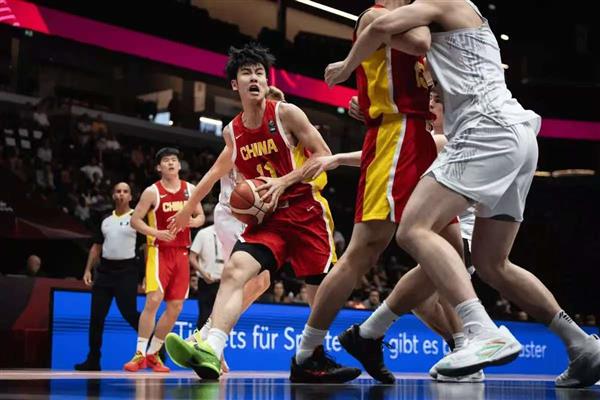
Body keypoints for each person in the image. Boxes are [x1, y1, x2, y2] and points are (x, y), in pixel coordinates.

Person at [324, 0, 600, 387]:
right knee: (492, 263)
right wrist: (369, 98)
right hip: (518, 135)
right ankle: (581, 344)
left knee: (413, 229)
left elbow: (383, 30)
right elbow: (414, 55)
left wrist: (346, 68)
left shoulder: (438, 1)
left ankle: (481, 332)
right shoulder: (460, 13)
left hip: (485, 130)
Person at [291, 0, 465, 384]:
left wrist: (365, 91)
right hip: (395, 136)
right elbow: (420, 42)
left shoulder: (407, 20)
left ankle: (449, 341)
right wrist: (353, 74)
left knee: (454, 251)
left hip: (418, 137)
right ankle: (307, 353)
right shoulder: (377, 16)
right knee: (364, 251)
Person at [164, 43, 359, 382]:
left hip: (305, 211)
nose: (254, 78)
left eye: (259, 73)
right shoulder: (232, 132)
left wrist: (284, 181)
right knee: (235, 270)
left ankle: (311, 358)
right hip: (268, 219)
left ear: (267, 82)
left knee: (318, 293)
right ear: (234, 84)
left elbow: (324, 155)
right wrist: (189, 208)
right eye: (246, 73)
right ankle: (212, 347)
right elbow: (214, 174)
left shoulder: (287, 113)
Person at [123, 147, 205, 373]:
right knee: (153, 300)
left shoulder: (190, 190)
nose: (170, 163)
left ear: (179, 165)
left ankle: (153, 353)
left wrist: (192, 222)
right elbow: (135, 220)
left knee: (176, 306)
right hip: (159, 251)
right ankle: (139, 353)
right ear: (159, 167)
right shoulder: (152, 192)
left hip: (182, 253)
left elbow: (201, 216)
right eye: (166, 161)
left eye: (174, 160)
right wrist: (156, 233)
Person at [75, 182, 142, 371]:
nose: (121, 194)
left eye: (125, 191)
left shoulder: (137, 218)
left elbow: (145, 248)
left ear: (130, 196)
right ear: (113, 195)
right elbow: (96, 246)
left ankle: (155, 349)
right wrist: (88, 270)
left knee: (129, 313)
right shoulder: (105, 219)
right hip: (104, 272)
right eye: (118, 191)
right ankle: (93, 359)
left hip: (127, 271)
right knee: (96, 316)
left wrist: (147, 274)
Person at [189, 223, 225, 332]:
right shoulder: (203, 233)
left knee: (221, 320)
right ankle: (198, 341)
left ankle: (216, 343)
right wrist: (203, 273)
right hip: (206, 281)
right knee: (204, 317)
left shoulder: (232, 235)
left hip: (224, 283)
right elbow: (192, 257)